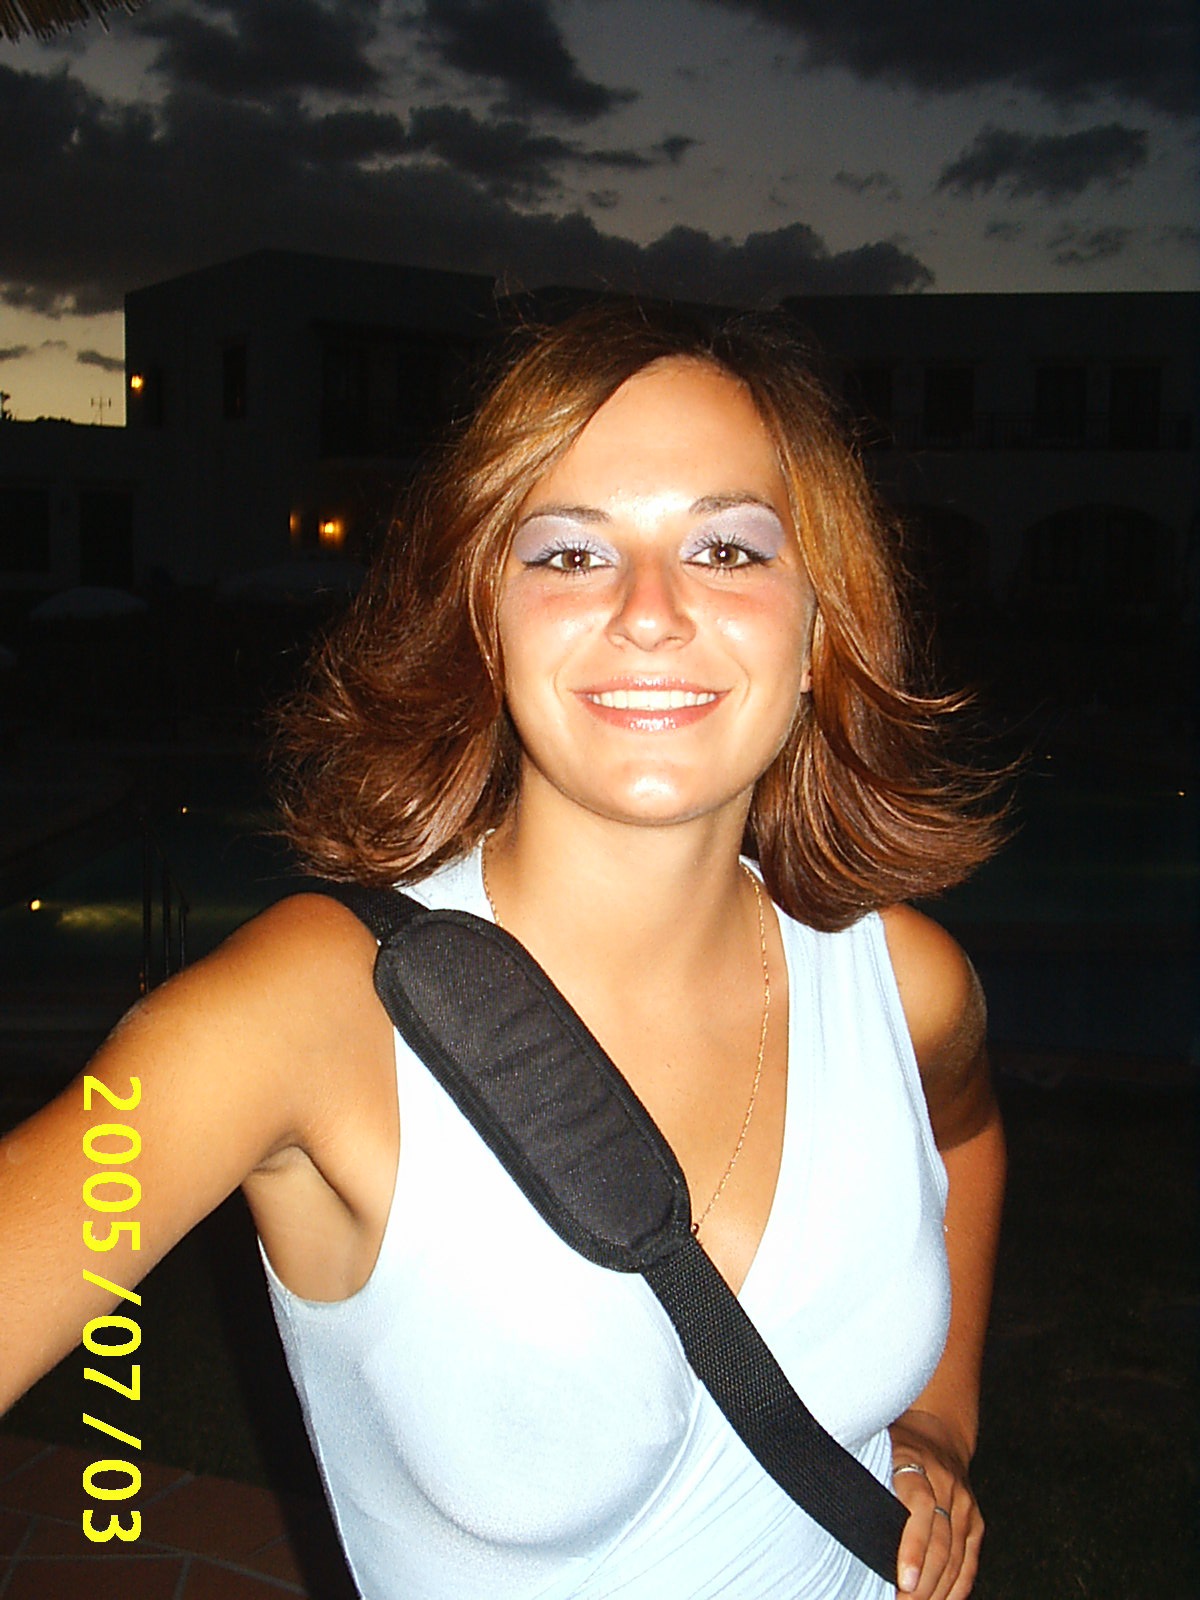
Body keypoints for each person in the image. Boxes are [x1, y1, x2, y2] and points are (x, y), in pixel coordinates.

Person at [1, 301, 1006, 1600]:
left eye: (726, 548)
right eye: (573, 555)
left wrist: (940, 1424)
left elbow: (966, 1141)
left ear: (821, 627)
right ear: (489, 623)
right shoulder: (303, 1021)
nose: (650, 611)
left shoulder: (899, 980)